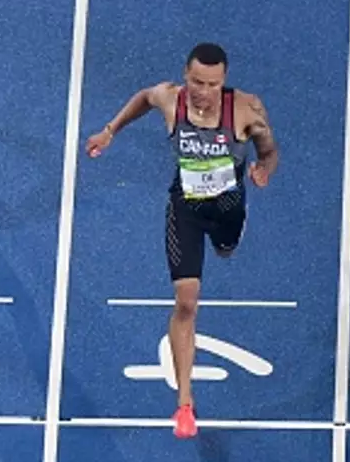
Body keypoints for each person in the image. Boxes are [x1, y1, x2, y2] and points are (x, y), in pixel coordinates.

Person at [84, 44, 278, 440]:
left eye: (212, 84)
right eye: (197, 82)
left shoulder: (246, 109)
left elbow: (270, 152)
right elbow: (143, 98)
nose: (204, 91)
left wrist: (264, 171)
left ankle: (226, 242)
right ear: (185, 76)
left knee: (226, 250)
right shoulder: (170, 100)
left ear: (223, 82)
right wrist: (109, 131)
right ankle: (185, 404)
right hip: (184, 209)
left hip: (228, 210)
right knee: (186, 303)